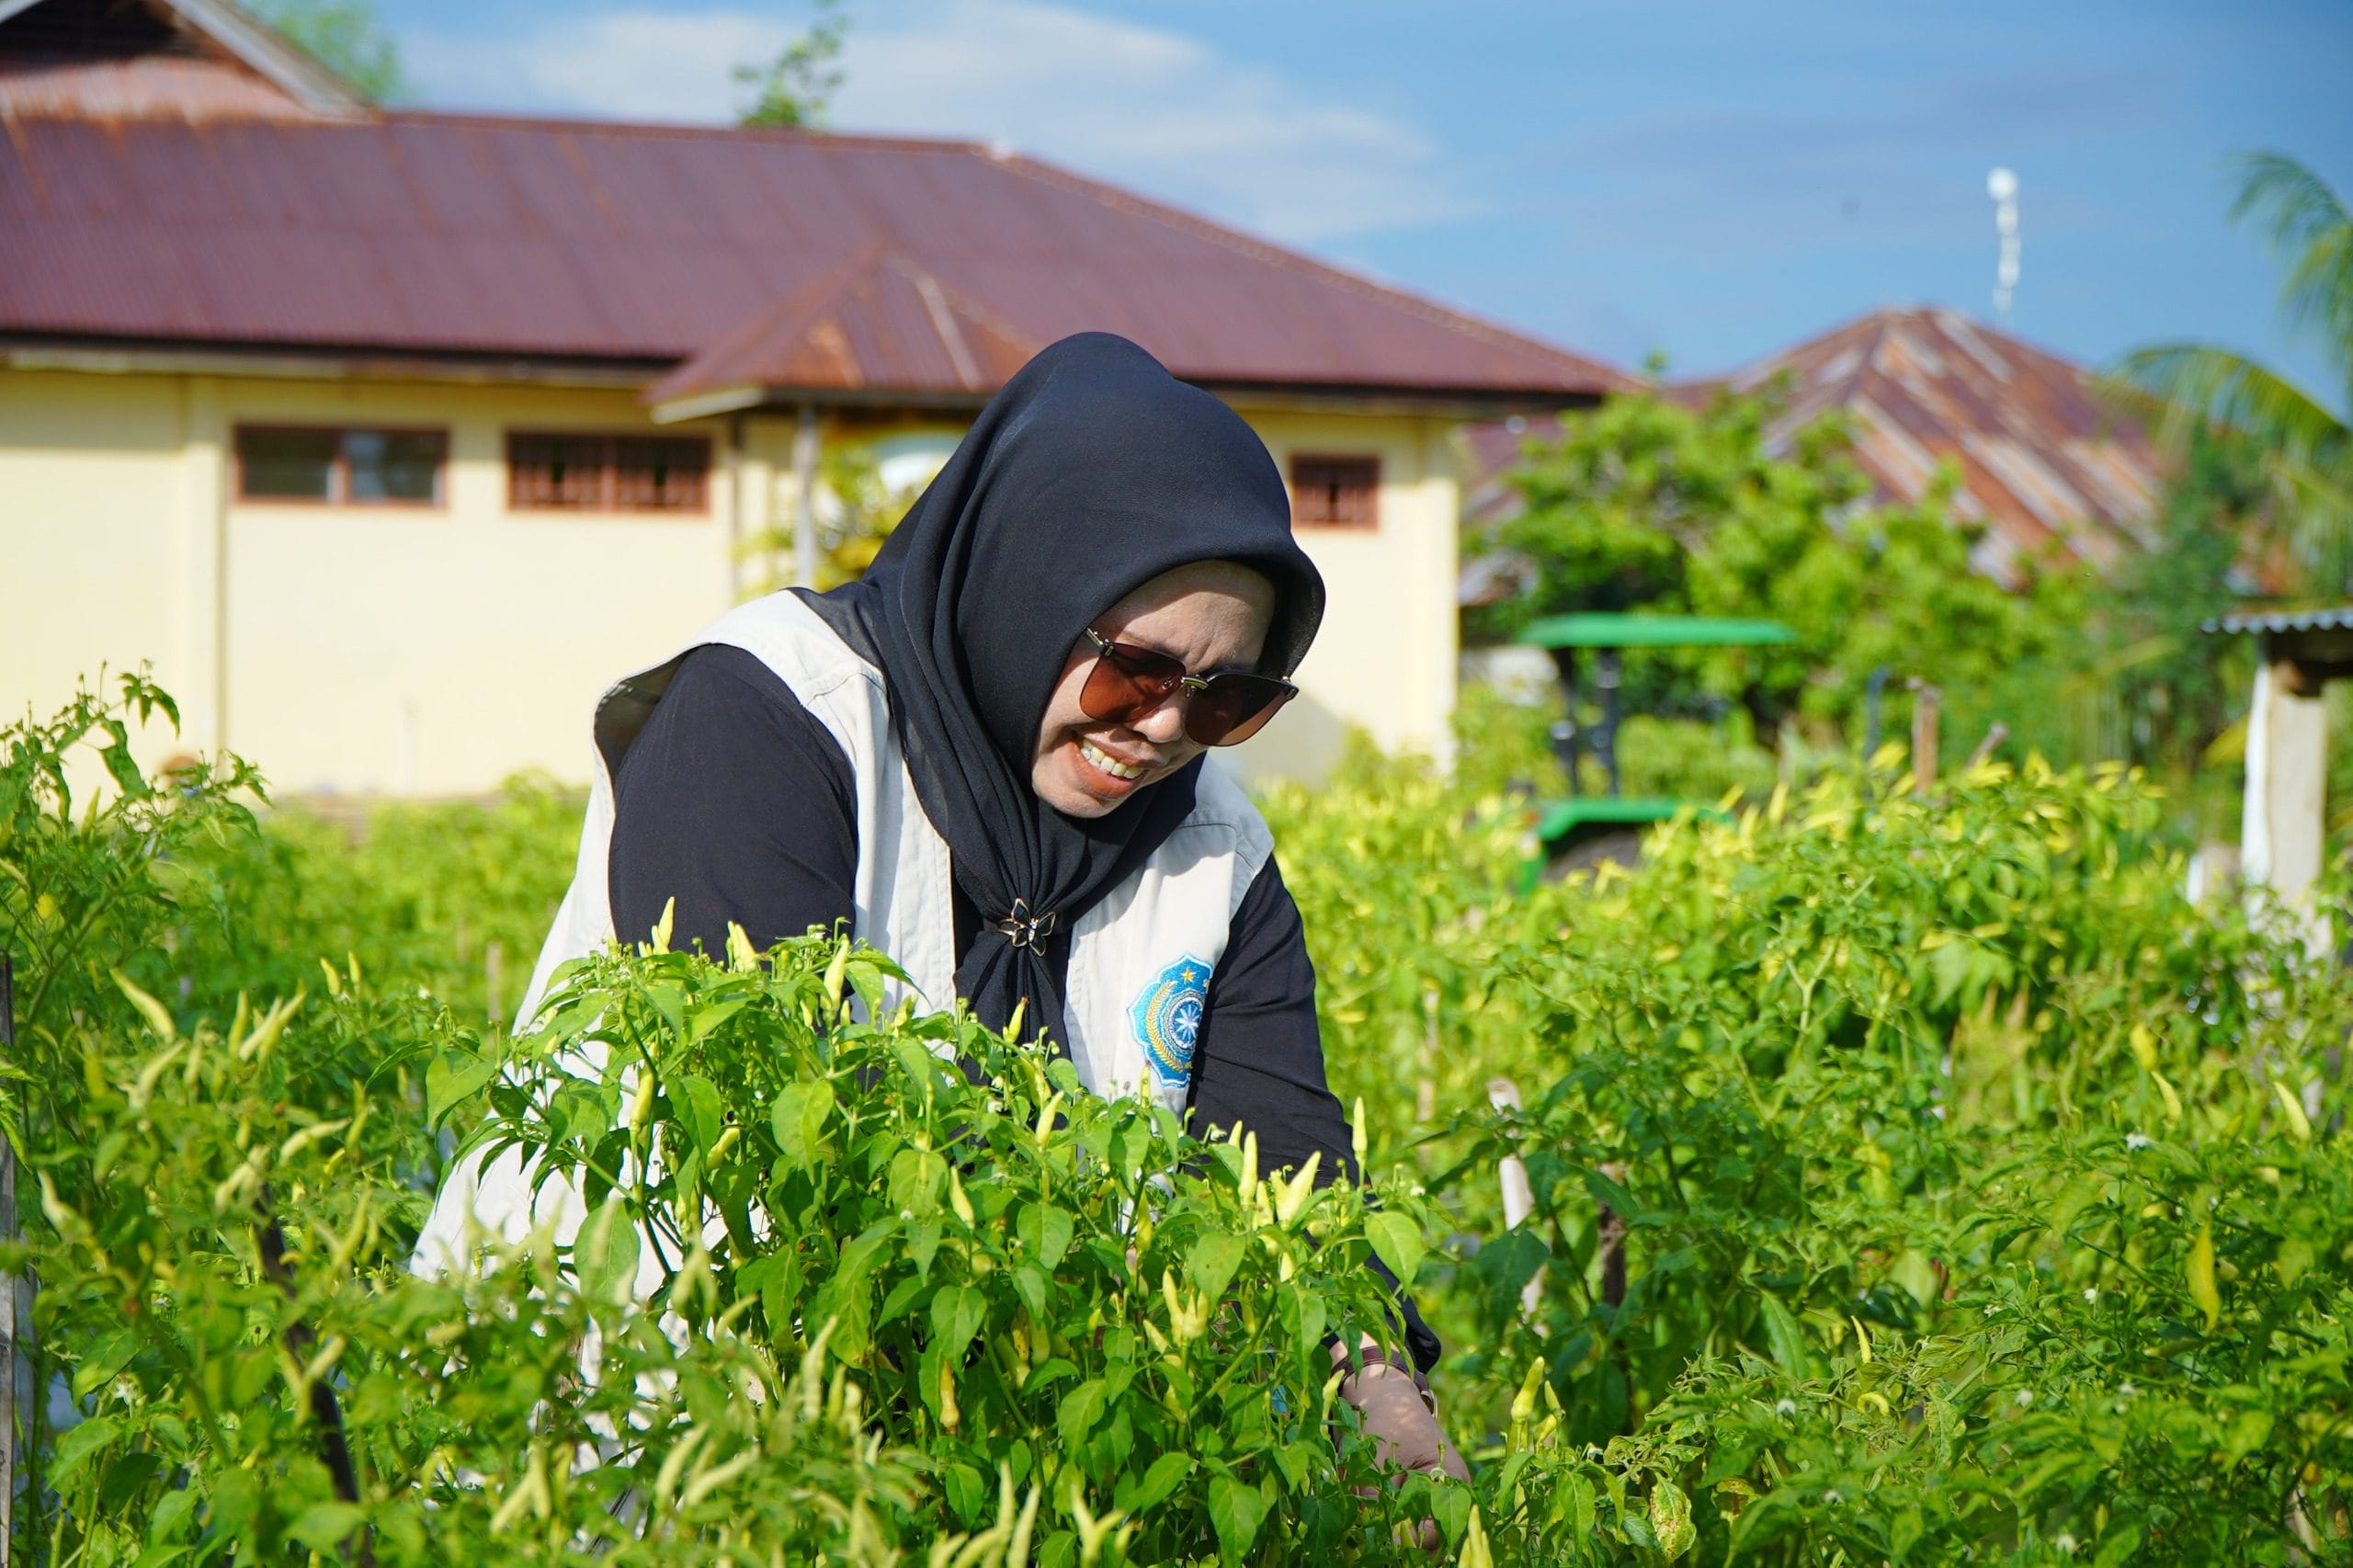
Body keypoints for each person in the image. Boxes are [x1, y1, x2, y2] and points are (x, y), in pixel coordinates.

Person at [416, 332, 1465, 1485]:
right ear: (1024, 588)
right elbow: (797, 1129)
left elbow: (1289, 1174)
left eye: (1228, 695)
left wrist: (1376, 1384)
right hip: (619, 1416)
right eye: (1136, 668)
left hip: (963, 1458)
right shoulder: (770, 719)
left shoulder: (1214, 843)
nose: (1165, 725)